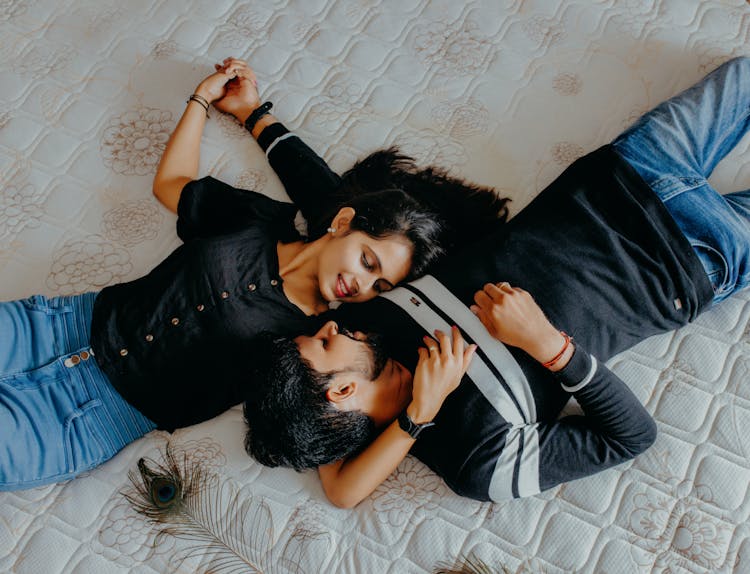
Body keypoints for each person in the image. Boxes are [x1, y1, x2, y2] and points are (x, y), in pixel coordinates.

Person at [244, 55, 750, 506]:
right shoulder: (475, 461)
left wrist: (257, 118)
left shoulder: (364, 316)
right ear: (343, 392)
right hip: (691, 262)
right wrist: (549, 347)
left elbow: (339, 486)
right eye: (323, 344)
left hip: (622, 174)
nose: (329, 327)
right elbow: (630, 439)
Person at [0, 59, 508, 491]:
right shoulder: (262, 220)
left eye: (380, 286)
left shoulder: (315, 346)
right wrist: (207, 103)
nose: (363, 285)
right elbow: (171, 185)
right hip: (52, 325)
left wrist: (419, 414)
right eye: (368, 262)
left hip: (90, 418)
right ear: (343, 223)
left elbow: (341, 487)